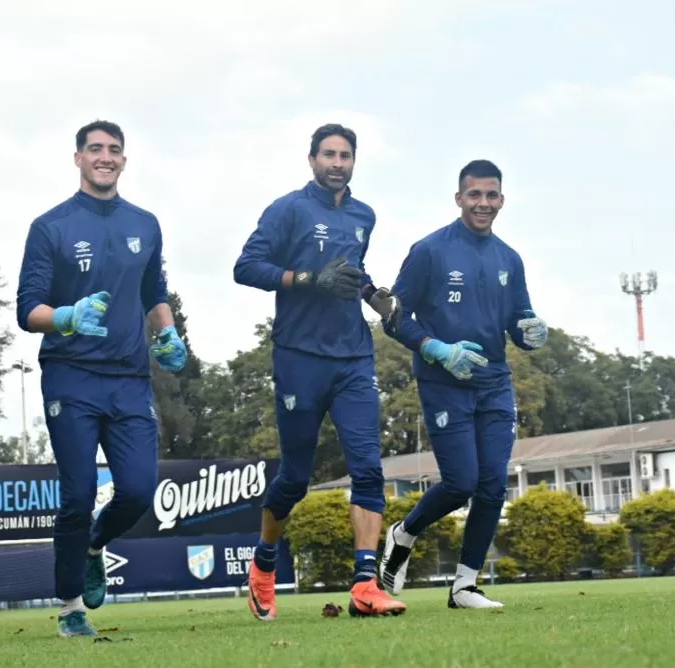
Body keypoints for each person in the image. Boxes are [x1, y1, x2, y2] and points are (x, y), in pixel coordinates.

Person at [16, 120, 187, 637]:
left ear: (124, 160)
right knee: (78, 491)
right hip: (70, 375)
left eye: (114, 150)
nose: (105, 157)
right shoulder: (51, 226)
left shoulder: (145, 223)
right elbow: (28, 310)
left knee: (138, 490)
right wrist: (65, 317)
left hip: (131, 377)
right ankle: (70, 607)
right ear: (78, 159)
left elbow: (154, 290)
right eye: (95, 149)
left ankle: (94, 545)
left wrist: (168, 334)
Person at [233, 123, 407, 621]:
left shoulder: (363, 215)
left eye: (345, 156)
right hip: (298, 357)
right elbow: (246, 267)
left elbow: (353, 272)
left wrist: (373, 294)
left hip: (353, 357)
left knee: (368, 468)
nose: (337, 163)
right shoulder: (288, 209)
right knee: (294, 476)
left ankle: (365, 584)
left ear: (354, 162)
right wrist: (307, 278)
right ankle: (264, 562)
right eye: (328, 154)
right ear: (312, 160)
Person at [378, 159, 548, 609]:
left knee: (492, 485)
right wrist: (435, 348)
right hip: (444, 380)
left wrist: (530, 332)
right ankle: (404, 532)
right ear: (459, 198)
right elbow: (394, 318)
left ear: (502, 200)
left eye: (491, 196)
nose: (483, 204)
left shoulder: (509, 258)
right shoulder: (429, 251)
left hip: (495, 382)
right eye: (475, 195)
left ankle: (465, 586)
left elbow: (518, 321)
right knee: (461, 481)